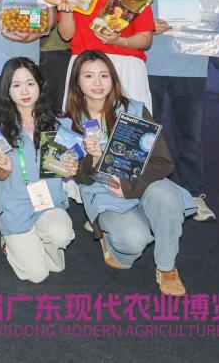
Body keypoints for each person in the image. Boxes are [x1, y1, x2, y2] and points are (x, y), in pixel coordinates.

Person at [127, 0, 219, 223]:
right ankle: (138, 194)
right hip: (147, 63)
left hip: (190, 63)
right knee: (143, 132)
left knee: (190, 135)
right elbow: (121, 18)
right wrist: (146, 25)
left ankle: (194, 193)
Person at [66, 50, 196, 296]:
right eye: (89, 76)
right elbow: (80, 178)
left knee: (167, 196)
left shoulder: (134, 110)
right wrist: (94, 158)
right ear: (77, 82)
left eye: (104, 75)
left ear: (113, 79)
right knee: (133, 242)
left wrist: (129, 187)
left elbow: (163, 162)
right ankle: (116, 242)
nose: (97, 82)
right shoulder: (69, 121)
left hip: (141, 183)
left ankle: (166, 267)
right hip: (103, 193)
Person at [0, 57, 74, 283]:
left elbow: (63, 169)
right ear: (7, 90)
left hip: (49, 202)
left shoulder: (58, 124)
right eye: (16, 85)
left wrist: (70, 167)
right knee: (37, 275)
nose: (25, 91)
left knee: (60, 243)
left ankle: (34, 239)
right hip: (15, 206)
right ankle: (11, 241)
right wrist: (3, 167)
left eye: (30, 83)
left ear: (40, 85)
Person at [55, 0, 155, 110]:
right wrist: (67, 11)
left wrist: (119, 40)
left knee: (128, 122)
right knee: (83, 123)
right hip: (86, 67)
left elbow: (145, 39)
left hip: (126, 65)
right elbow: (66, 35)